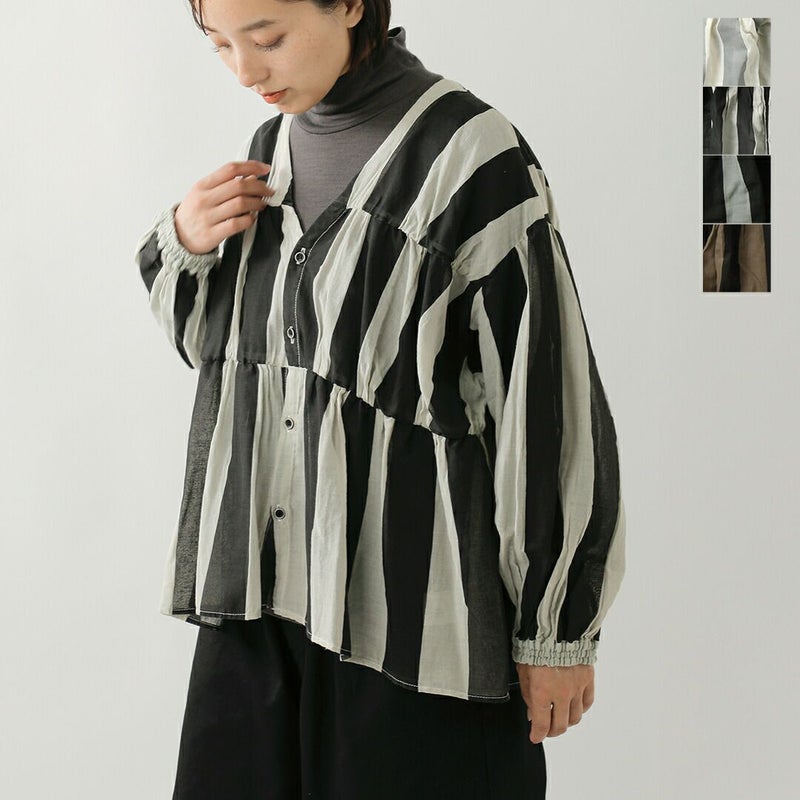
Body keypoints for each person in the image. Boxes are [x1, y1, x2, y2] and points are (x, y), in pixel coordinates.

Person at [134, 1, 626, 797]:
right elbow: (226, 359)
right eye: (219, 44)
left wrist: (557, 629)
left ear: (351, 3)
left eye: (267, 37)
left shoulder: (472, 156)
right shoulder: (268, 152)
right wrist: (186, 242)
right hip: (256, 616)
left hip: (413, 634)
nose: (246, 71)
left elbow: (546, 398)